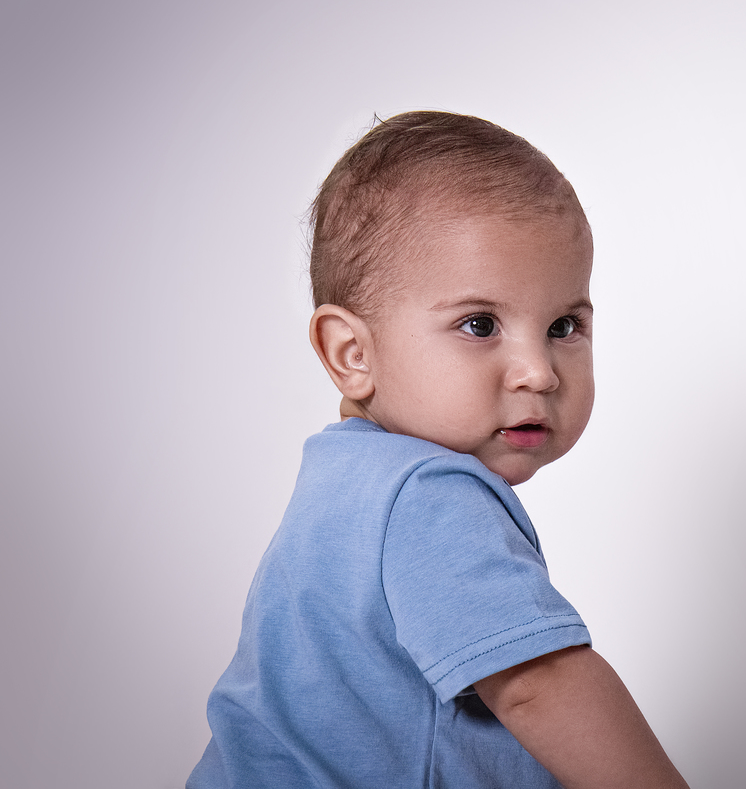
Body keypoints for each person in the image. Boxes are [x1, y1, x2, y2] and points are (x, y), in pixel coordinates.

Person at [188, 111, 689, 789]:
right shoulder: (428, 493)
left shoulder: (344, 480)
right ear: (352, 352)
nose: (538, 372)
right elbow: (536, 684)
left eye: (563, 325)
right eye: (479, 325)